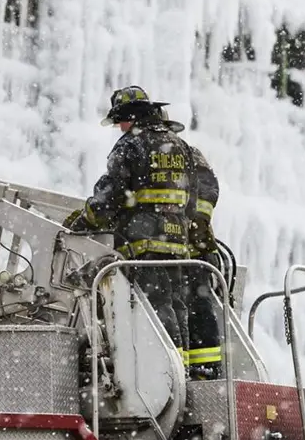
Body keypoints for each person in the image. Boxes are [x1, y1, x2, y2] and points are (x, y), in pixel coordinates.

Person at [65, 86, 195, 366]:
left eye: (120, 120)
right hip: (178, 243)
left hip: (144, 242)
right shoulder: (180, 146)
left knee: (151, 307)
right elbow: (192, 200)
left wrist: (83, 222)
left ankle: (161, 369)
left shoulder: (130, 145)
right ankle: (181, 367)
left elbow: (109, 196)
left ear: (131, 117)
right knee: (176, 305)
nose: (120, 127)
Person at [161, 109, 223, 381]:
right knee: (182, 307)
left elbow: (208, 190)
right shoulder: (156, 158)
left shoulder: (187, 153)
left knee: (196, 306)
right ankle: (185, 368)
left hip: (190, 250)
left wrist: (195, 222)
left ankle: (204, 371)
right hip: (173, 249)